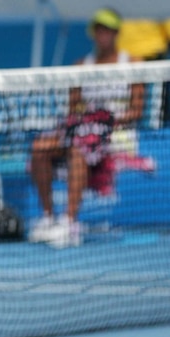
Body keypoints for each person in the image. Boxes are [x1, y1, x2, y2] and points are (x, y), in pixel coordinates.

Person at [28, 7, 145, 248]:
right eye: (99, 30)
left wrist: (108, 120)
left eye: (107, 30)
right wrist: (84, 122)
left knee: (77, 150)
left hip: (117, 134)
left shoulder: (133, 63)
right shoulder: (81, 65)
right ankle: (49, 218)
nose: (103, 35)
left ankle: (70, 223)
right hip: (84, 131)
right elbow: (73, 110)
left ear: (116, 33)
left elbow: (137, 110)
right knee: (40, 147)